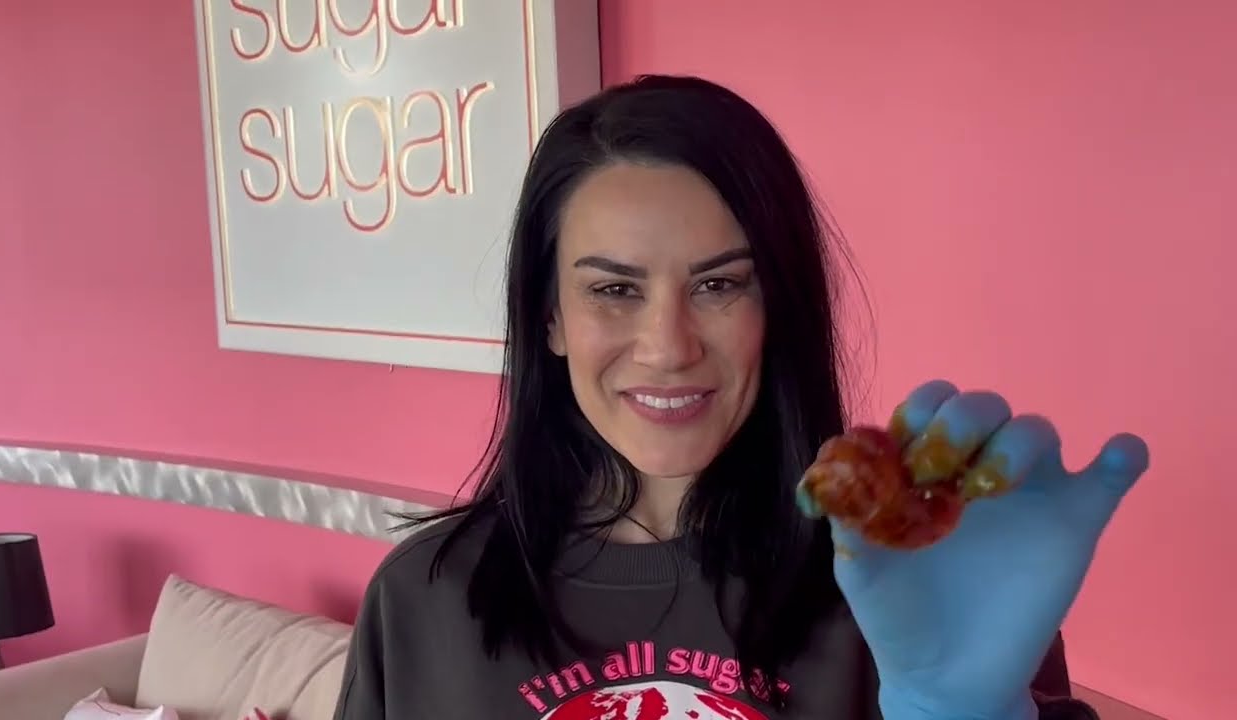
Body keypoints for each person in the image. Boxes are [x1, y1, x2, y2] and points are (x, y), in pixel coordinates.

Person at [332, 75, 1149, 719]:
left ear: (777, 307)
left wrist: (964, 715)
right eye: (614, 289)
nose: (669, 347)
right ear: (551, 318)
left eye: (719, 285)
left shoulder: (914, 581)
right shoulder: (421, 601)